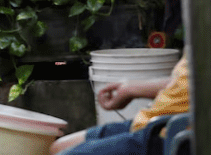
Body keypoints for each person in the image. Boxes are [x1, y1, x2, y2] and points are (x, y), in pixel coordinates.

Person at [49, 55, 189, 155]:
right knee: (58, 147)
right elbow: (183, 82)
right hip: (151, 122)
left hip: (172, 134)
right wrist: (129, 88)